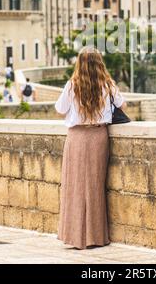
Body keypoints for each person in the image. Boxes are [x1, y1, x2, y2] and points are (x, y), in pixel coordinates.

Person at [55, 46, 126, 250]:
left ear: (79, 63)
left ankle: (74, 236)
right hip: (98, 136)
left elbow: (60, 109)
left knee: (74, 186)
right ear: (99, 63)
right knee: (95, 187)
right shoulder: (108, 85)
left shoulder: (72, 85)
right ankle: (95, 236)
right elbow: (122, 105)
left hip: (77, 137)